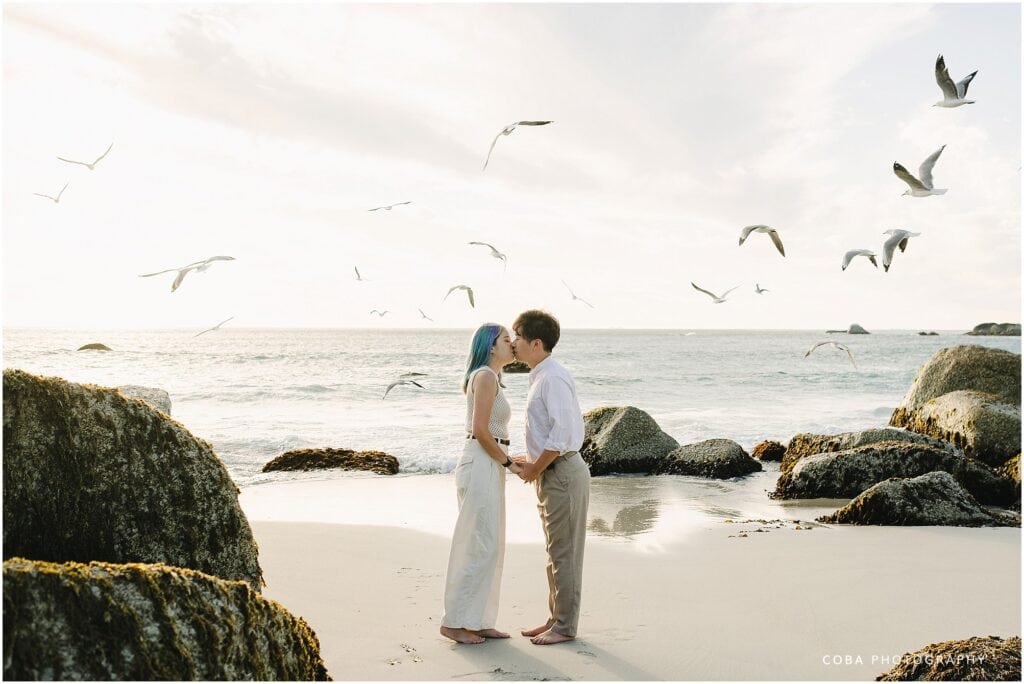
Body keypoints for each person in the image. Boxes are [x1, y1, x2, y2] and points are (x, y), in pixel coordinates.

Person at [510, 309, 590, 646]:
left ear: (536, 342)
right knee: (554, 551)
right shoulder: (541, 375)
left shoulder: (552, 378)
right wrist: (528, 460)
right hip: (551, 472)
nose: (513, 344)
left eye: (517, 337)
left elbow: (562, 435)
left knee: (564, 553)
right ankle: (555, 618)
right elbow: (547, 434)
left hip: (562, 474)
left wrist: (532, 468)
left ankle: (565, 626)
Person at [440, 323, 522, 645]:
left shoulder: (492, 378)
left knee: (491, 544)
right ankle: (455, 622)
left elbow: (491, 432)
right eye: (506, 339)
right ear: (490, 346)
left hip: (489, 459)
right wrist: (510, 464)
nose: (512, 344)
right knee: (479, 544)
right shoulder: (485, 376)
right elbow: (481, 431)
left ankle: (480, 620)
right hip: (482, 460)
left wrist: (509, 457)